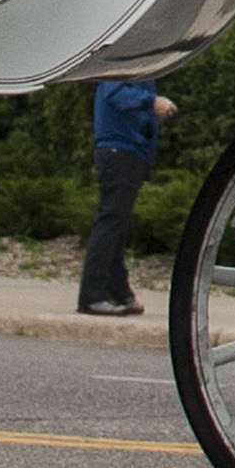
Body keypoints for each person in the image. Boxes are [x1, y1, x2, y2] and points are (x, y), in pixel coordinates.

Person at [75, 73, 175, 317]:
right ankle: (92, 295)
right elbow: (114, 93)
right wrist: (152, 101)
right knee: (111, 222)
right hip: (119, 151)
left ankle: (118, 290)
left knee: (117, 224)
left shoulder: (136, 68)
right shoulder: (122, 66)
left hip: (129, 152)